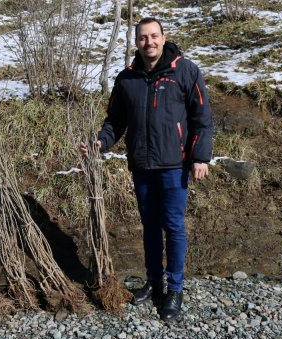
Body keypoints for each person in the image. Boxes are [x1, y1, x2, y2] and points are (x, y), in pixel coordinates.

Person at [80, 18, 214, 321]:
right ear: (136, 41)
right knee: (151, 226)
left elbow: (202, 118)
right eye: (143, 38)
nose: (148, 42)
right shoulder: (126, 78)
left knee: (174, 227)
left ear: (163, 38)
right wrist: (100, 142)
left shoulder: (186, 70)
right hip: (141, 165)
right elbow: (115, 121)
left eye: (154, 36)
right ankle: (154, 283)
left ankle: (175, 289)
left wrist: (200, 157)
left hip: (174, 165)